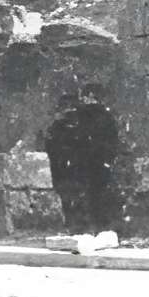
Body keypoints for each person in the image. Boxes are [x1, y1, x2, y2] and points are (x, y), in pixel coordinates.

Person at [43, 86, 121, 237]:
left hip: (85, 164)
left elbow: (108, 142)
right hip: (82, 164)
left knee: (87, 196)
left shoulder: (91, 117)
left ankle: (87, 227)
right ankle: (86, 227)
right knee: (86, 195)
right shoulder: (76, 119)